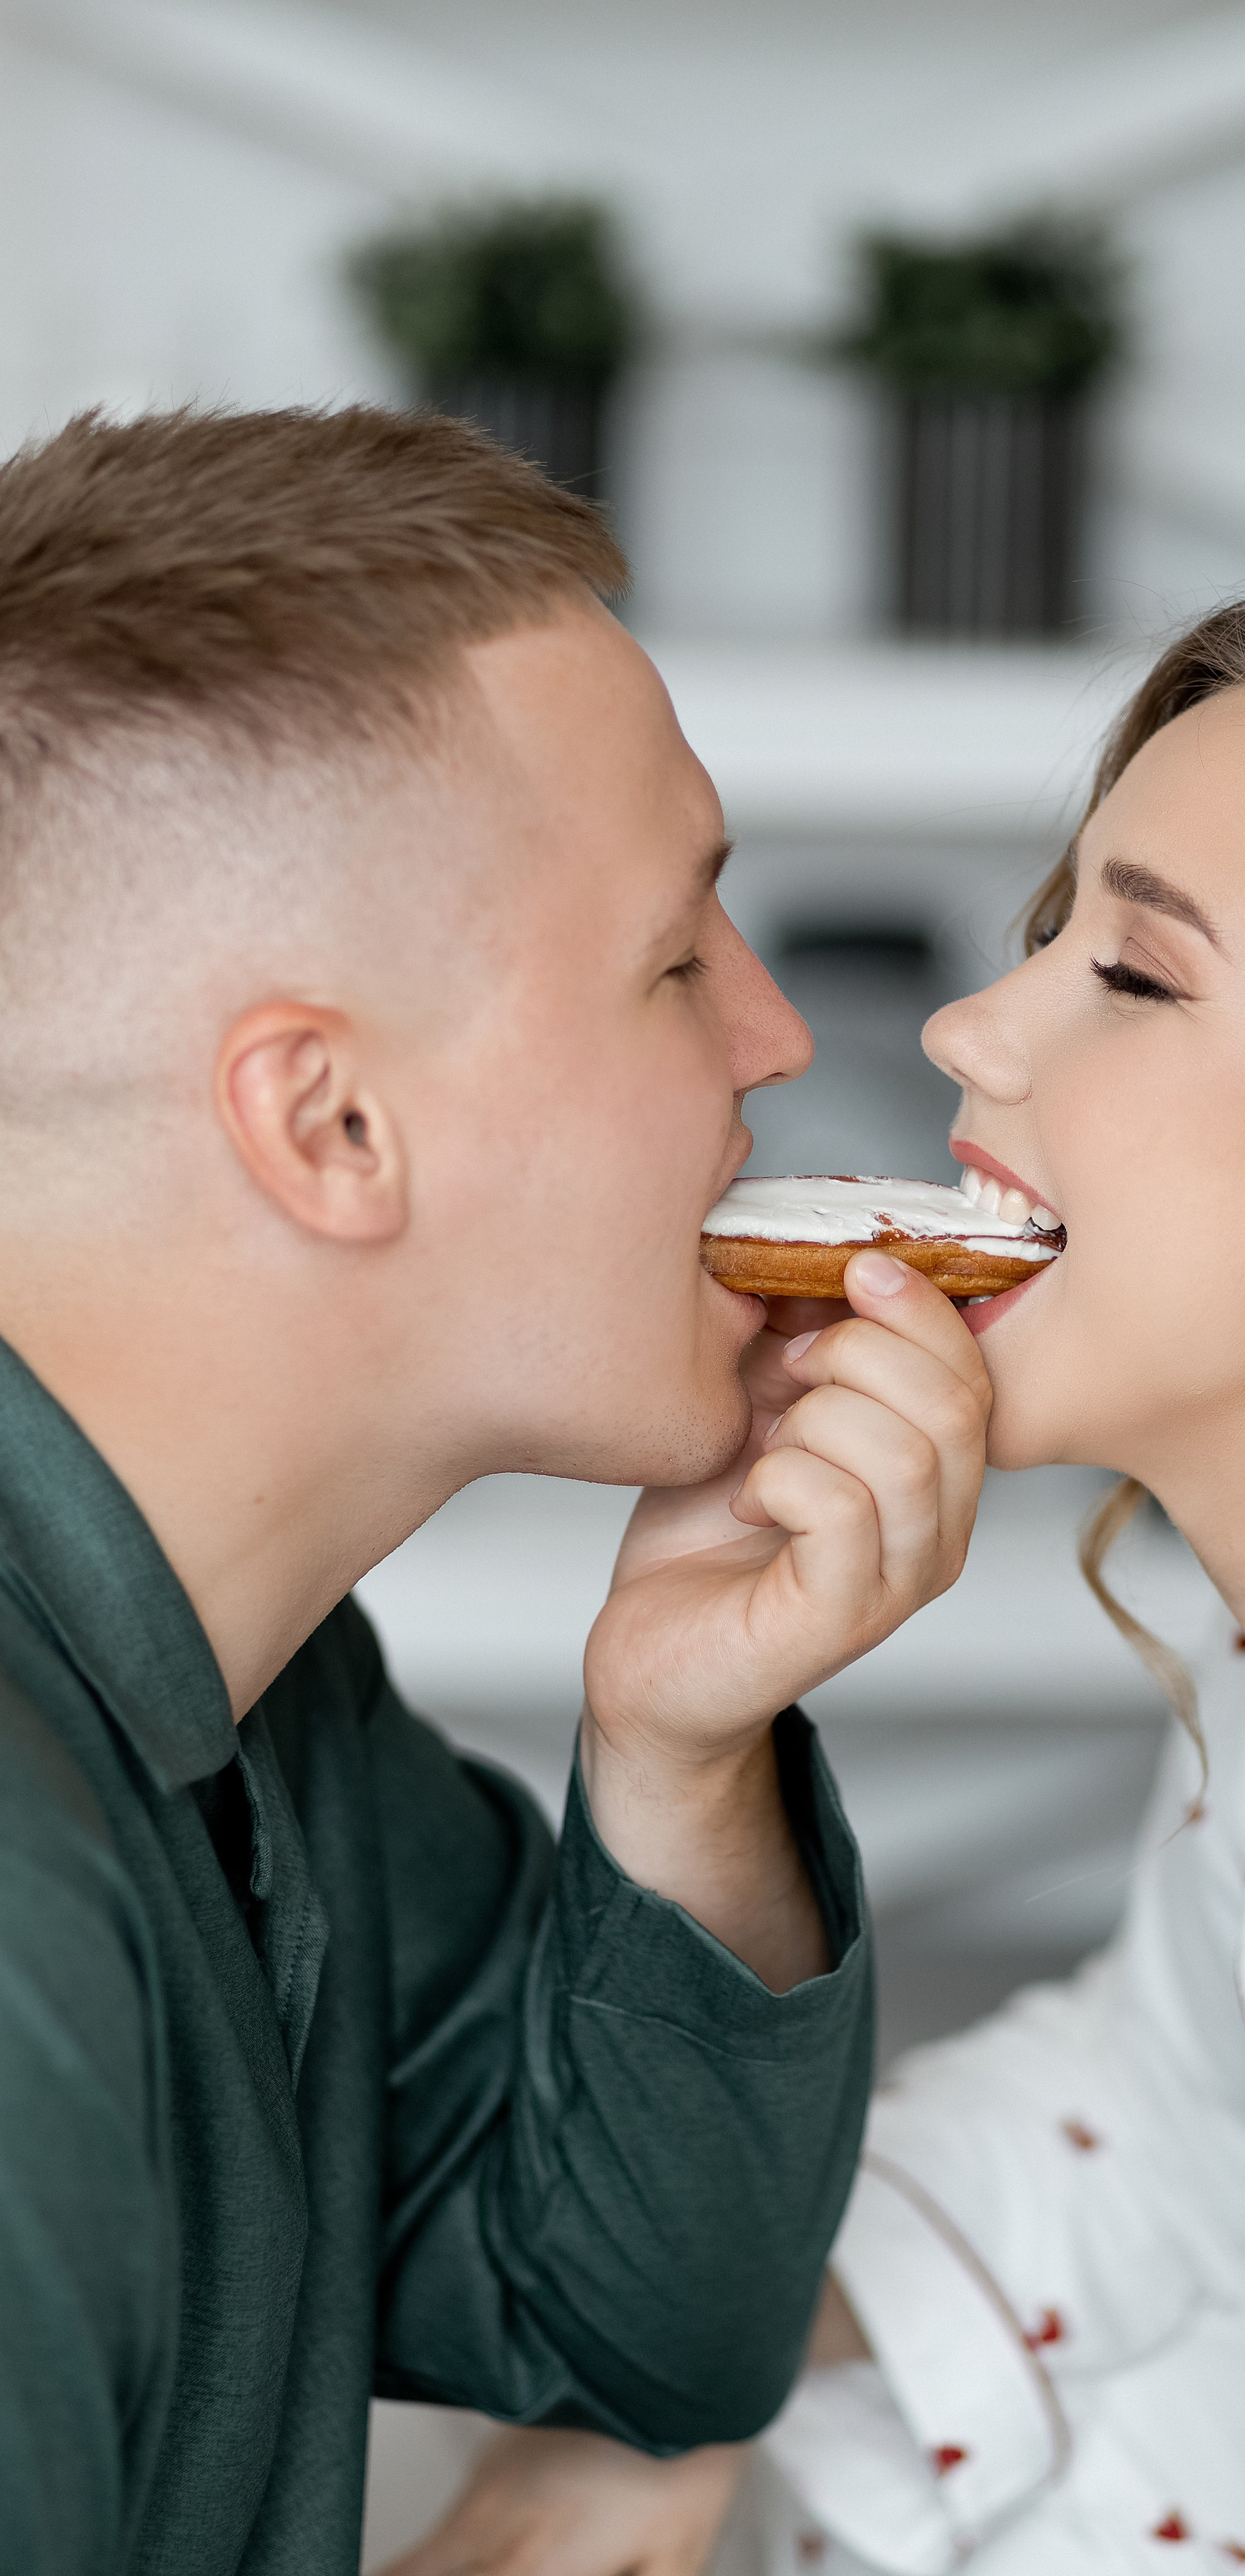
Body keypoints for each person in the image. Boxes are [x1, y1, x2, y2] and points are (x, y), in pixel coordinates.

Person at [421, 598, 1245, 2574]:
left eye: (1131, 971)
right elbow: (1158, 2121)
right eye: (1052, 934)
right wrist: (676, 2397)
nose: (967, 1030)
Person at [0, 404, 997, 2576]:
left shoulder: (272, 1697)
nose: (767, 1039)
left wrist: (683, 1749)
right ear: (332, 1127)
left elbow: (632, 2330)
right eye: (672, 959)